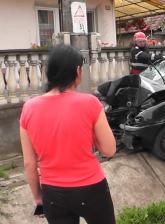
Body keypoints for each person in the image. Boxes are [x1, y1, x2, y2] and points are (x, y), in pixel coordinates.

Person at [20, 45, 117, 224]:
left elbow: (29, 163)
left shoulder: (29, 108)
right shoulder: (90, 103)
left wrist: (38, 198)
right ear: (78, 71)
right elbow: (110, 150)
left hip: (52, 192)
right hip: (91, 188)